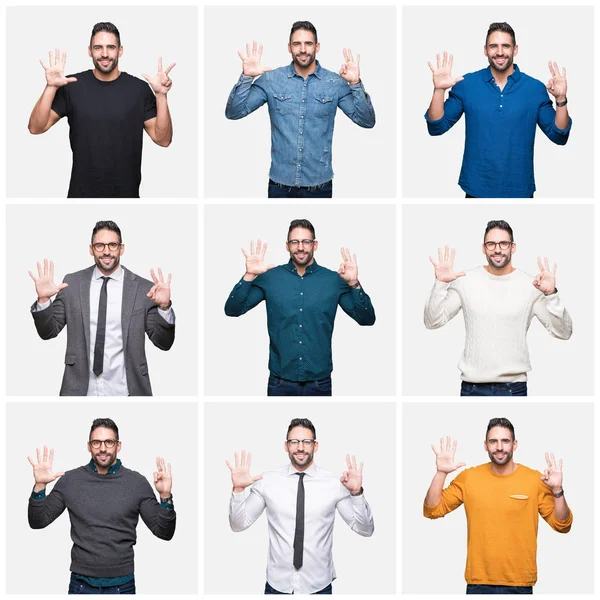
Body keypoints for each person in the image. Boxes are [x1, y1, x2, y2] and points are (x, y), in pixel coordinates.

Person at [224, 218, 375, 395]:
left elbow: (367, 319)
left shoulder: (334, 280)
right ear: (287, 246)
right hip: (279, 382)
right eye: (295, 242)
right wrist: (249, 275)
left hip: (320, 383)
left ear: (315, 245)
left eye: (306, 242)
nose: (301, 247)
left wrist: (354, 284)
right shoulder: (270, 277)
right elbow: (233, 310)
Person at [225, 21, 375, 198]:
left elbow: (367, 121)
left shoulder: (335, 83)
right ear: (289, 47)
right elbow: (234, 112)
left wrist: (355, 83)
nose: (303, 49)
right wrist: (246, 77)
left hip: (320, 186)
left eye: (308, 43)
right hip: (280, 186)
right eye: (297, 44)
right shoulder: (271, 80)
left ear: (317, 47)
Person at [424, 417, 572, 594]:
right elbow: (432, 509)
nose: (499, 447)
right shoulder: (469, 478)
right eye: (493, 441)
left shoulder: (534, 480)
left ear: (514, 444)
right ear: (485, 445)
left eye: (505, 441)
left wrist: (557, 489)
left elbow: (562, 525)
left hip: (520, 584)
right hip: (478, 583)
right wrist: (441, 473)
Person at [28, 418, 175, 594]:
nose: (103, 448)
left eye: (109, 442)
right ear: (89, 446)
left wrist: (165, 496)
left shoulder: (137, 483)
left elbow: (164, 533)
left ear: (118, 446)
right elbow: (38, 522)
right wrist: (40, 487)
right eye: (96, 442)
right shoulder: (70, 480)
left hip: (123, 586)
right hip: (80, 584)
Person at [424, 219, 572, 396]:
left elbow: (564, 332)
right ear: (483, 248)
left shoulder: (531, 285)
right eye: (491, 244)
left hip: (513, 388)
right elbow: (432, 322)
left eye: (503, 243)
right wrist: (440, 283)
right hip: (472, 388)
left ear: (513, 247)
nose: (497, 249)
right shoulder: (466, 280)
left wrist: (551, 294)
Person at [227, 418, 373, 594]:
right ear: (286, 445)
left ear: (315, 446)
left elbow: (365, 530)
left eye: (307, 442)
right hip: (277, 586)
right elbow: (238, 525)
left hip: (319, 587)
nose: (301, 447)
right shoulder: (267, 481)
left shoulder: (335, 484)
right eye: (294, 442)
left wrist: (356, 493)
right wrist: (238, 489)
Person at [28, 22, 175, 198]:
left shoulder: (139, 90)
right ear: (89, 51)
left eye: (110, 47)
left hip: (126, 197)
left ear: (120, 50)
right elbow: (36, 128)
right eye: (98, 47)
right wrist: (50, 87)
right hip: (80, 196)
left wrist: (161, 96)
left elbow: (163, 139)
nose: (105, 54)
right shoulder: (72, 86)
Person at [29, 220, 175, 396]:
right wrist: (44, 300)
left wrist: (165, 307)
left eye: (112, 245)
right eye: (99, 245)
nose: (106, 251)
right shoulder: (72, 284)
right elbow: (48, 332)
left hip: (127, 391)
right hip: (79, 390)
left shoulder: (144, 289)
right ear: (91, 249)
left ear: (122, 248)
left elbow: (164, 342)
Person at [425, 22, 571, 198]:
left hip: (519, 190)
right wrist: (439, 90)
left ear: (515, 50)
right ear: (485, 50)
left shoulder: (535, 88)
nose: (500, 52)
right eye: (493, 46)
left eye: (506, 46)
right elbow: (436, 127)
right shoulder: (467, 84)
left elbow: (559, 135)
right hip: (476, 188)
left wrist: (561, 99)